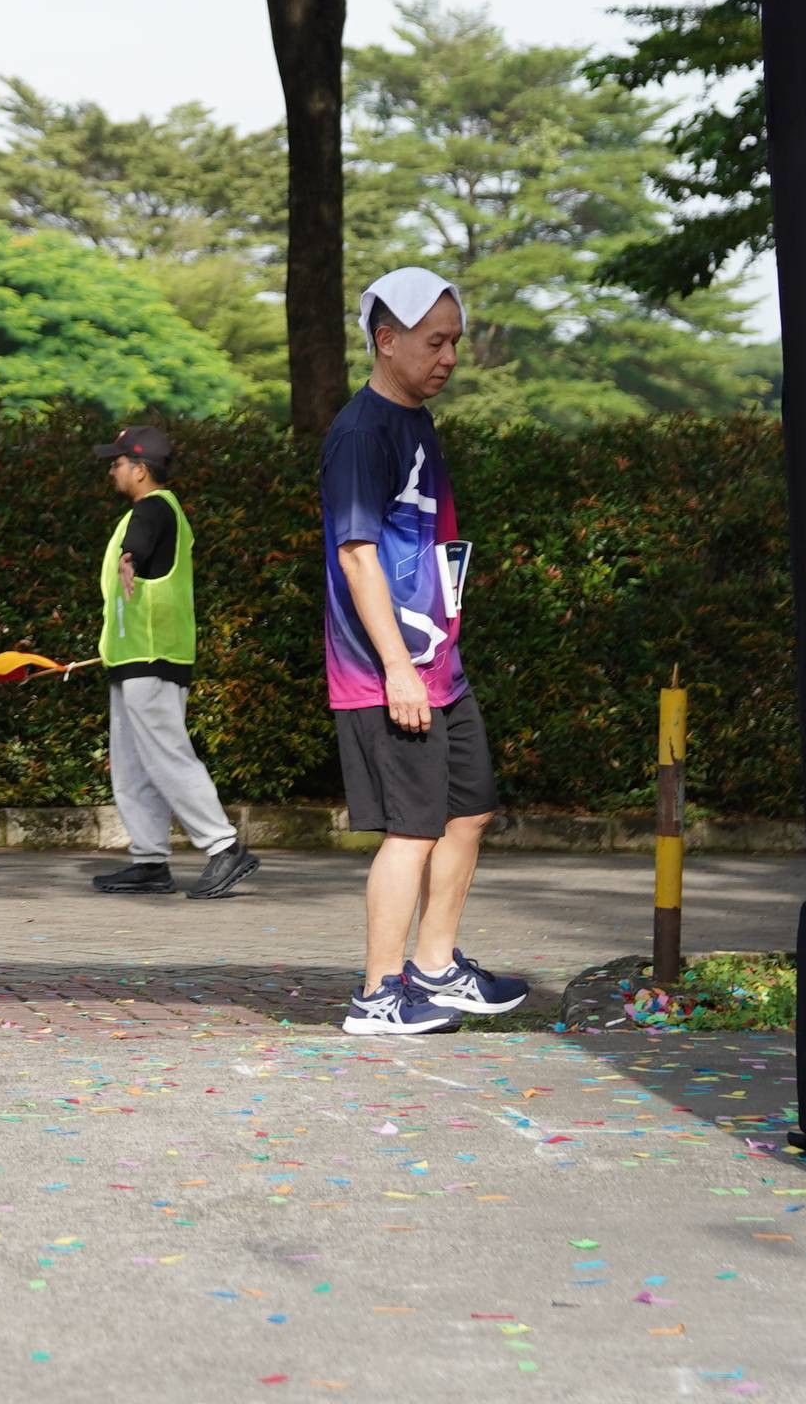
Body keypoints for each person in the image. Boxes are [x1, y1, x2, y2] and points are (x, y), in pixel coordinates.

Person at [322, 266, 531, 1038]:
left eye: (454, 342)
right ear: (387, 340)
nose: (449, 357)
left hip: (439, 664)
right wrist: (397, 670)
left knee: (468, 812)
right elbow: (356, 557)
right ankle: (378, 995)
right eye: (435, 342)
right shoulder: (360, 434)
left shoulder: (415, 419)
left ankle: (436, 967)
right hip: (388, 672)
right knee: (412, 828)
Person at [85, 422, 258, 900]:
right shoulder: (153, 511)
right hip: (133, 658)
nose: (112, 471)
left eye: (118, 463)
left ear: (140, 469)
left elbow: (141, 540)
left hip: (153, 657)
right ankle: (149, 861)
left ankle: (224, 846)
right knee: (132, 765)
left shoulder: (154, 508)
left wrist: (130, 558)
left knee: (167, 756)